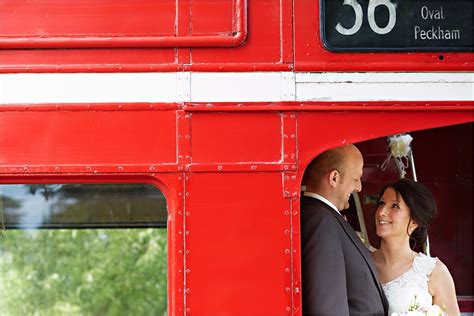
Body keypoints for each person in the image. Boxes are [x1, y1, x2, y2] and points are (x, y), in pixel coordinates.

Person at [301, 144, 388, 315]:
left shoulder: (322, 217)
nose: (359, 188)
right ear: (334, 178)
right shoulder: (321, 222)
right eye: (356, 179)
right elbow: (327, 307)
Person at [372, 179, 460, 316]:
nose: (382, 212)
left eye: (394, 206)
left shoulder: (434, 271)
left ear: (414, 221)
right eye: (381, 203)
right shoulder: (361, 261)